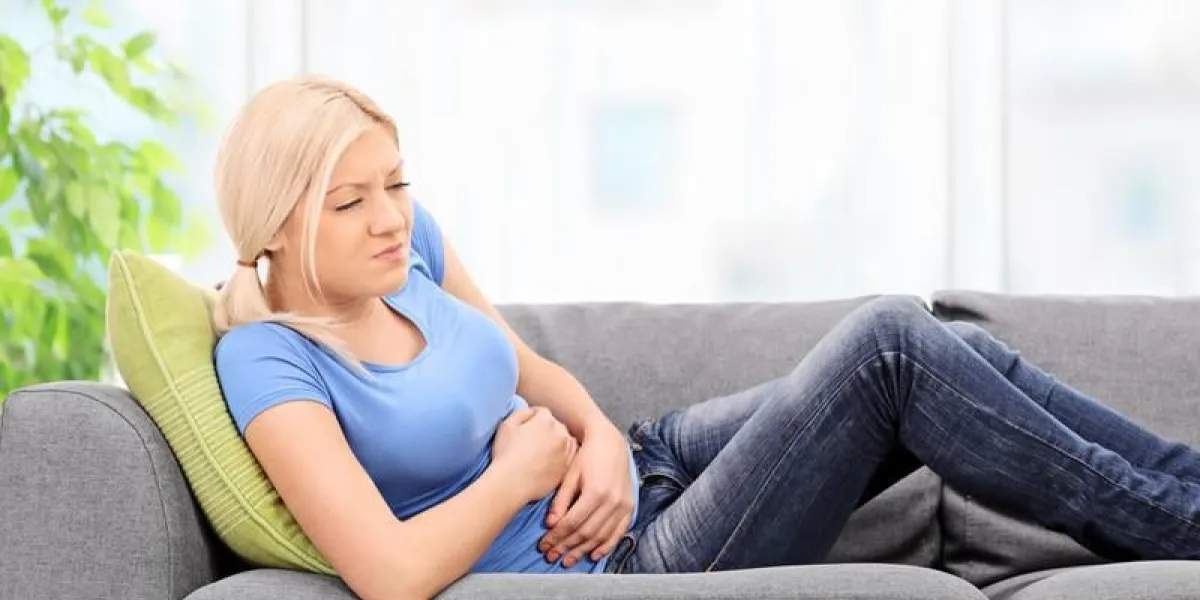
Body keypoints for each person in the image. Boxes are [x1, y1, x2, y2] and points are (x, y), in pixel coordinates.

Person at [211, 75, 1200, 600]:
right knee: (891, 346)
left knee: (959, 355)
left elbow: (533, 371)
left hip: (646, 461)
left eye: (396, 183)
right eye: (351, 201)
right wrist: (517, 477)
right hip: (627, 562)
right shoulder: (269, 360)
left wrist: (594, 437)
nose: (391, 217)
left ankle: (1189, 489)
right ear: (278, 223)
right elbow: (387, 576)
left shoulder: (407, 249)